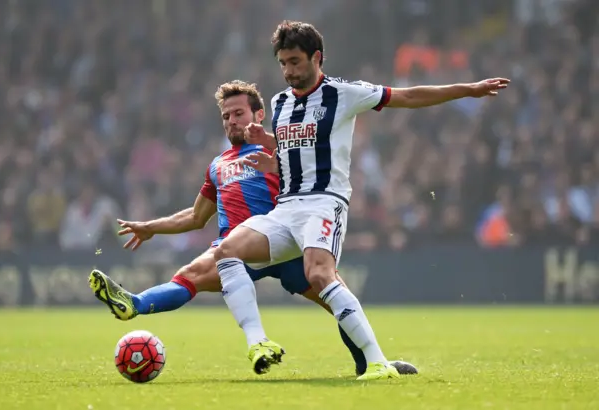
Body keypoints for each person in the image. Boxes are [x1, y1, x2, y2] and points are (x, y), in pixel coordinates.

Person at [211, 20, 510, 381]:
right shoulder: (280, 102)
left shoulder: (343, 93)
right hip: (286, 207)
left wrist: (468, 90)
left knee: (319, 274)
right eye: (283, 63)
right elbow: (302, 148)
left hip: (324, 202)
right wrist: (270, 142)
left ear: (316, 57)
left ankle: (377, 362)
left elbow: (408, 96)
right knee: (226, 252)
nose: (288, 71)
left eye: (295, 62)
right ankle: (259, 342)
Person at [87, 79, 418, 377]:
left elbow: (317, 171)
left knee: (337, 298)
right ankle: (133, 304)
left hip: (287, 244)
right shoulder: (217, 165)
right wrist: (150, 227)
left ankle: (370, 365)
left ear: (259, 116)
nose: (232, 121)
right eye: (226, 116)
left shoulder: (281, 147)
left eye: (238, 113)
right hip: (239, 252)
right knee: (189, 275)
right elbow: (195, 217)